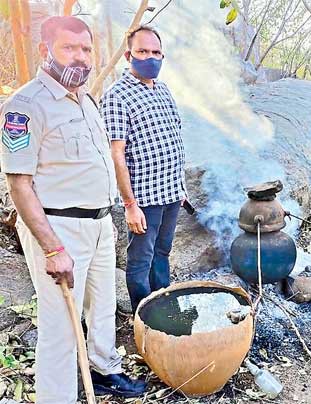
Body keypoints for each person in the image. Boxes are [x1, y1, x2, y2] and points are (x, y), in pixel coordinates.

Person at [0, 16, 146, 402]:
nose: (80, 58)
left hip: (99, 224)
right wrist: (53, 248)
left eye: (85, 49)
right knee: (61, 327)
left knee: (102, 309)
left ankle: (104, 371)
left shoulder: (86, 99)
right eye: (69, 48)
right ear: (44, 50)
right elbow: (19, 184)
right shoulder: (25, 106)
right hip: (60, 229)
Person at [100, 25, 187, 312]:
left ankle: (162, 305)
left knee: (162, 252)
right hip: (144, 198)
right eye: (142, 51)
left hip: (171, 193)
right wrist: (129, 204)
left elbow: (175, 138)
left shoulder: (163, 89)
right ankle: (143, 315)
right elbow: (116, 154)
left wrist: (181, 187)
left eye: (155, 52)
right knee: (140, 259)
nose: (150, 57)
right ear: (129, 55)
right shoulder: (117, 95)